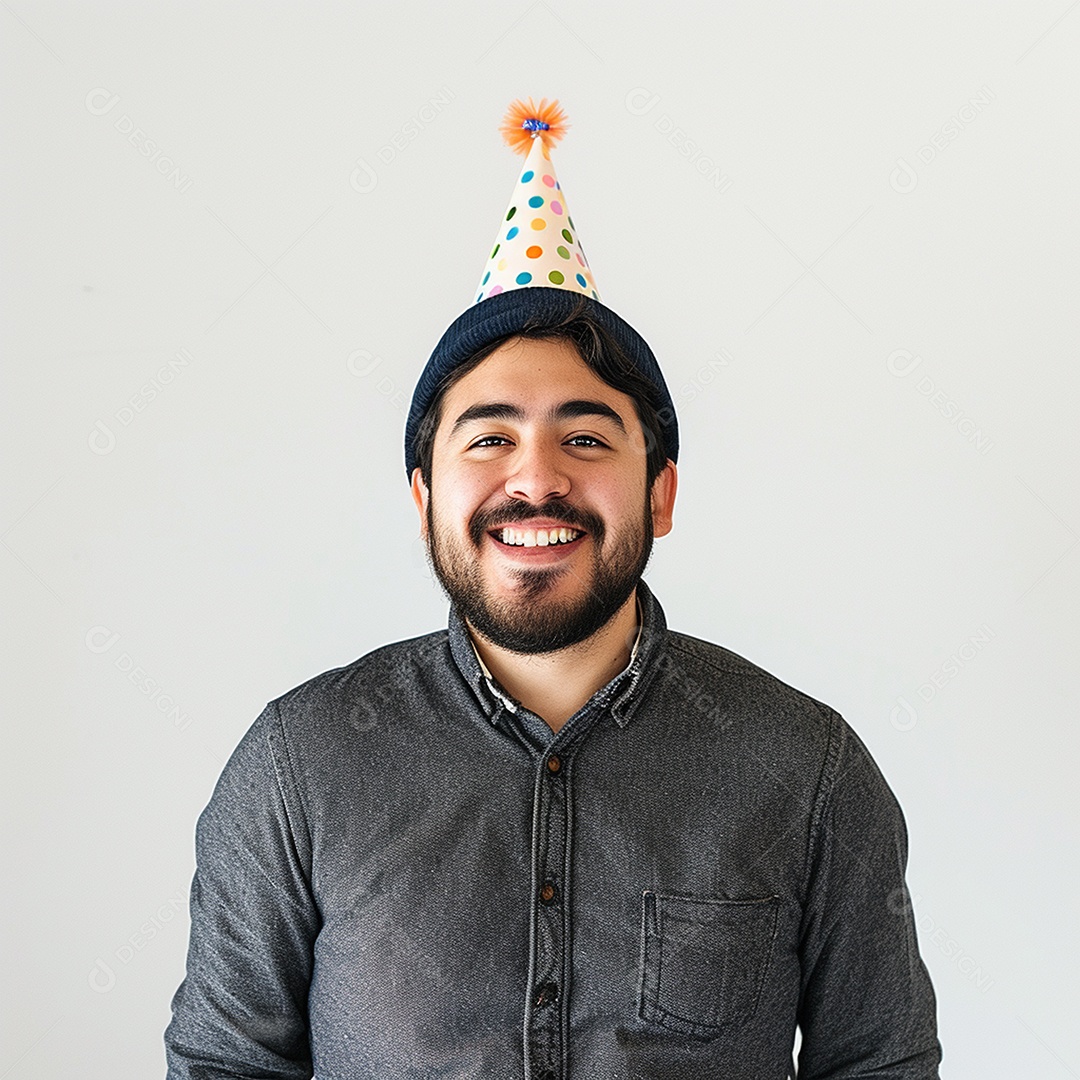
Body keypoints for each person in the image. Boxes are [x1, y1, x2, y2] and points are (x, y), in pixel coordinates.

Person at [165, 100, 941, 1079]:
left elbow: (883, 1064)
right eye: (489, 438)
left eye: (585, 438)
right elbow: (223, 1066)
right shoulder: (297, 767)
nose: (535, 479)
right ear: (424, 499)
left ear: (659, 493)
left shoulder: (806, 767)